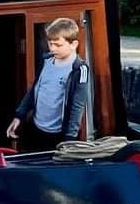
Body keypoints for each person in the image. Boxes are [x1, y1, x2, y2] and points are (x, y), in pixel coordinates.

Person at [6, 17, 90, 152]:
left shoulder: (80, 69)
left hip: (58, 135)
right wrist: (19, 115)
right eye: (50, 44)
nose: (53, 48)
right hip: (36, 127)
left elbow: (77, 105)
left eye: (58, 45)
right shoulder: (46, 61)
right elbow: (34, 90)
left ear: (73, 44)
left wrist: (70, 139)